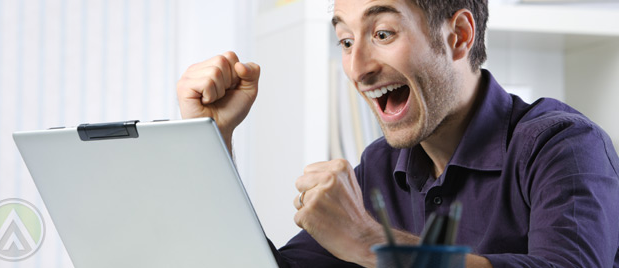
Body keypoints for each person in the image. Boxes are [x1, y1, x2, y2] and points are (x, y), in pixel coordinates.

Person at [176, 0, 619, 267]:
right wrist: (208, 142)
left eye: (382, 33)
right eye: (346, 42)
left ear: (459, 36)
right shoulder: (379, 168)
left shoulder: (564, 147)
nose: (357, 68)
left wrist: (373, 243)